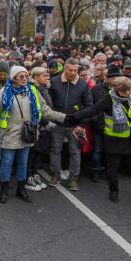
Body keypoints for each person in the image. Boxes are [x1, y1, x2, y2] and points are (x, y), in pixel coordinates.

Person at [67, 77, 131, 204]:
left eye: (129, 91)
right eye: (125, 91)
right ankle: (114, 191)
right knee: (113, 168)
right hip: (114, 140)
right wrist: (72, 117)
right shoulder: (108, 100)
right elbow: (92, 110)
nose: (128, 93)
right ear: (118, 90)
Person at [0, 66, 65, 203]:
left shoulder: (32, 90)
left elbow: (45, 110)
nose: (24, 79)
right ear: (13, 78)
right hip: (9, 134)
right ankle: (4, 189)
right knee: (7, 162)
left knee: (23, 163)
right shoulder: (5, 92)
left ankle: (21, 189)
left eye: (26, 76)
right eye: (21, 76)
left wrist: (63, 117)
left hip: (27, 134)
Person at [48, 58, 93, 191]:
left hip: (75, 125)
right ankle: (55, 174)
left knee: (75, 152)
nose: (73, 73)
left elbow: (88, 106)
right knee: (55, 150)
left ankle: (73, 178)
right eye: (70, 70)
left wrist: (82, 124)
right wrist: (50, 120)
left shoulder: (83, 85)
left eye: (75, 70)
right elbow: (48, 103)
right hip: (57, 124)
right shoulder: (55, 81)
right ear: (65, 68)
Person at [26, 66, 55, 191]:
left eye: (47, 75)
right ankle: (28, 177)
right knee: (31, 153)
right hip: (36, 126)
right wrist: (45, 122)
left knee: (38, 152)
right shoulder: (33, 89)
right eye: (44, 75)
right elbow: (36, 109)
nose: (47, 77)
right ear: (36, 77)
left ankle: (34, 173)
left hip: (45, 127)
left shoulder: (45, 88)